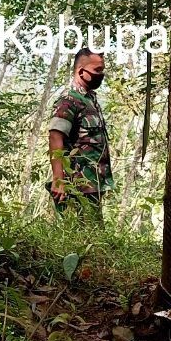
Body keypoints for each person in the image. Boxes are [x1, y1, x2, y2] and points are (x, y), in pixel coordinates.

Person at [47, 48, 113, 219]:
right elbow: (55, 136)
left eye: (102, 69)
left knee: (93, 236)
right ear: (81, 72)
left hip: (93, 183)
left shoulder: (91, 100)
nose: (101, 74)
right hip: (77, 184)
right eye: (97, 70)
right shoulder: (69, 100)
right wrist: (58, 180)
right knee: (85, 237)